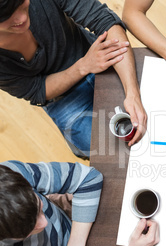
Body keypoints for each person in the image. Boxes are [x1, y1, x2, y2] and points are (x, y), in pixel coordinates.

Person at [0, 0, 147, 159]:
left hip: (95, 53)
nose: (21, 18)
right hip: (62, 97)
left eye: (22, 4)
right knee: (109, 152)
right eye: (5, 17)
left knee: (151, 105)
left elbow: (104, 21)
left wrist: (132, 93)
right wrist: (83, 66)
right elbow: (37, 90)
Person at [0, 160, 159, 246]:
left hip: (72, 230)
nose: (44, 223)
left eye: (39, 207)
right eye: (30, 230)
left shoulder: (11, 175)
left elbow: (88, 178)